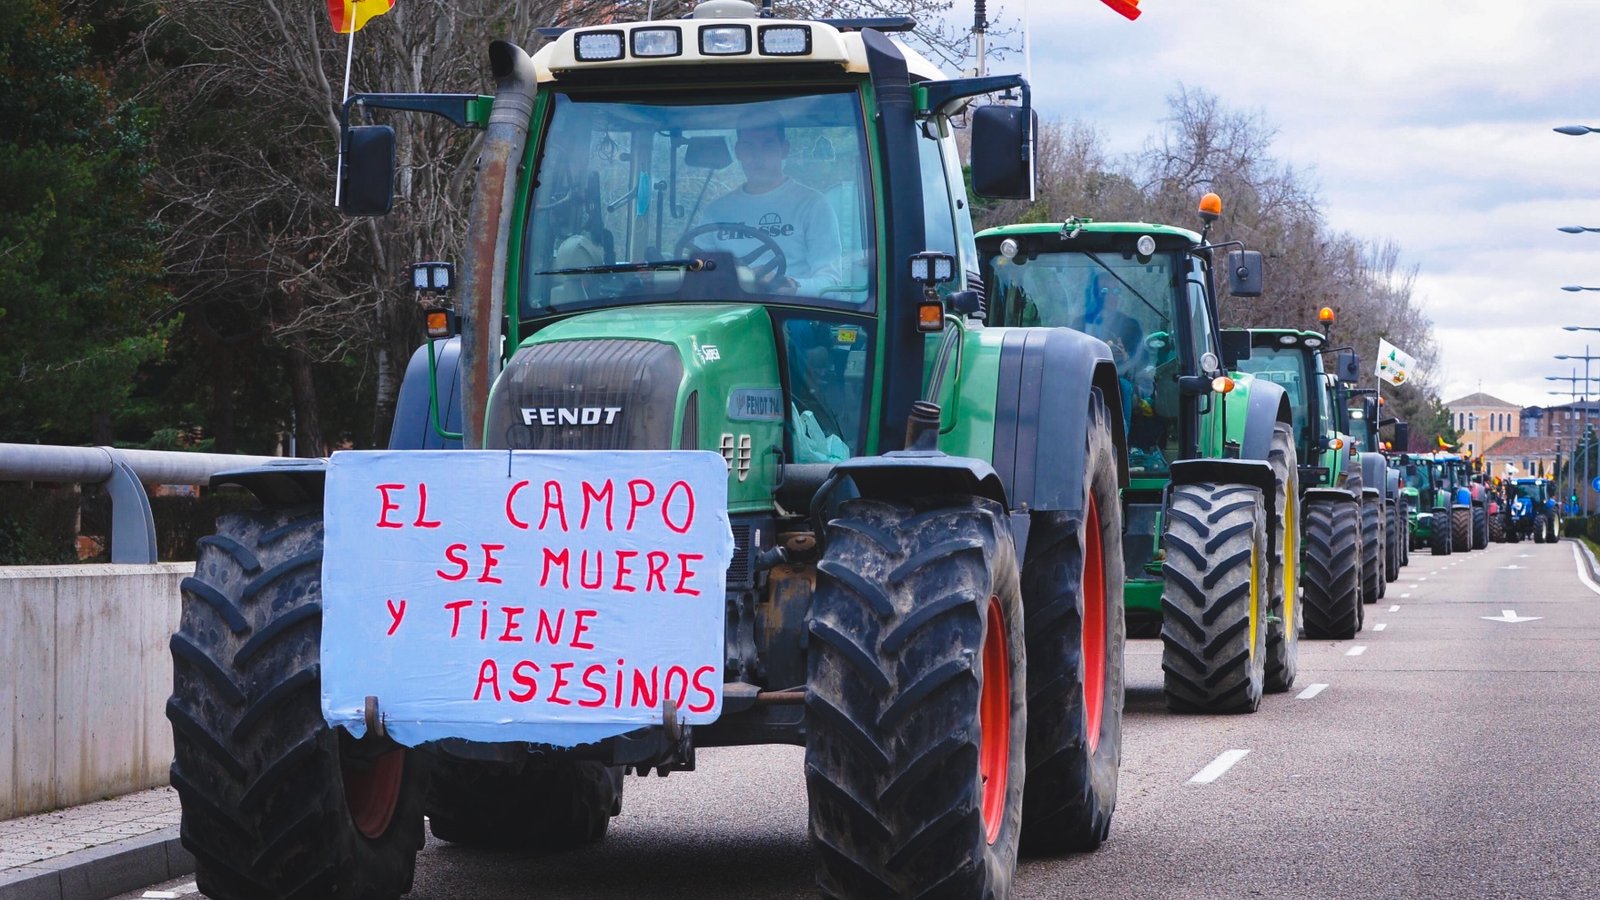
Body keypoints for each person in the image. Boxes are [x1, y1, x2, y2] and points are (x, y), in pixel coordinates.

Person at [697, 118, 843, 296]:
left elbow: (832, 284)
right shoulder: (716, 210)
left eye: (768, 145)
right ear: (738, 151)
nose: (758, 156)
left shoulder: (812, 205)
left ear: (784, 149)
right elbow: (699, 273)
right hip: (728, 310)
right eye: (749, 146)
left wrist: (792, 287)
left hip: (792, 314)